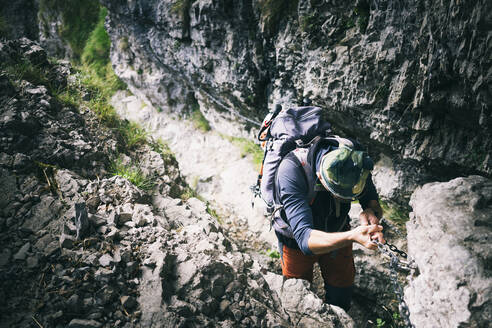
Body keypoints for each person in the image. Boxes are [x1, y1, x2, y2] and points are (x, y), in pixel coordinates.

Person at [274, 137, 384, 311]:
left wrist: (370, 212)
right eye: (339, 195)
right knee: (297, 292)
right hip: (295, 239)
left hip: (337, 226)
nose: (343, 199)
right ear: (319, 177)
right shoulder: (292, 170)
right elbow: (305, 240)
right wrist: (351, 236)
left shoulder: (355, 160)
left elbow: (370, 199)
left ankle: (340, 314)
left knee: (342, 286)